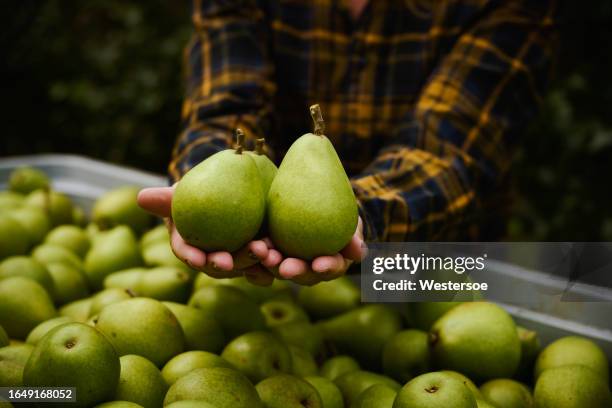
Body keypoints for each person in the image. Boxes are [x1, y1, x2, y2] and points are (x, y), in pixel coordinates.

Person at [138, 0, 558, 286]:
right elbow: (227, 103)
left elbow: (451, 148)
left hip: (439, 268)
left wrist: (358, 219)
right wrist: (203, 183)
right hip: (264, 267)